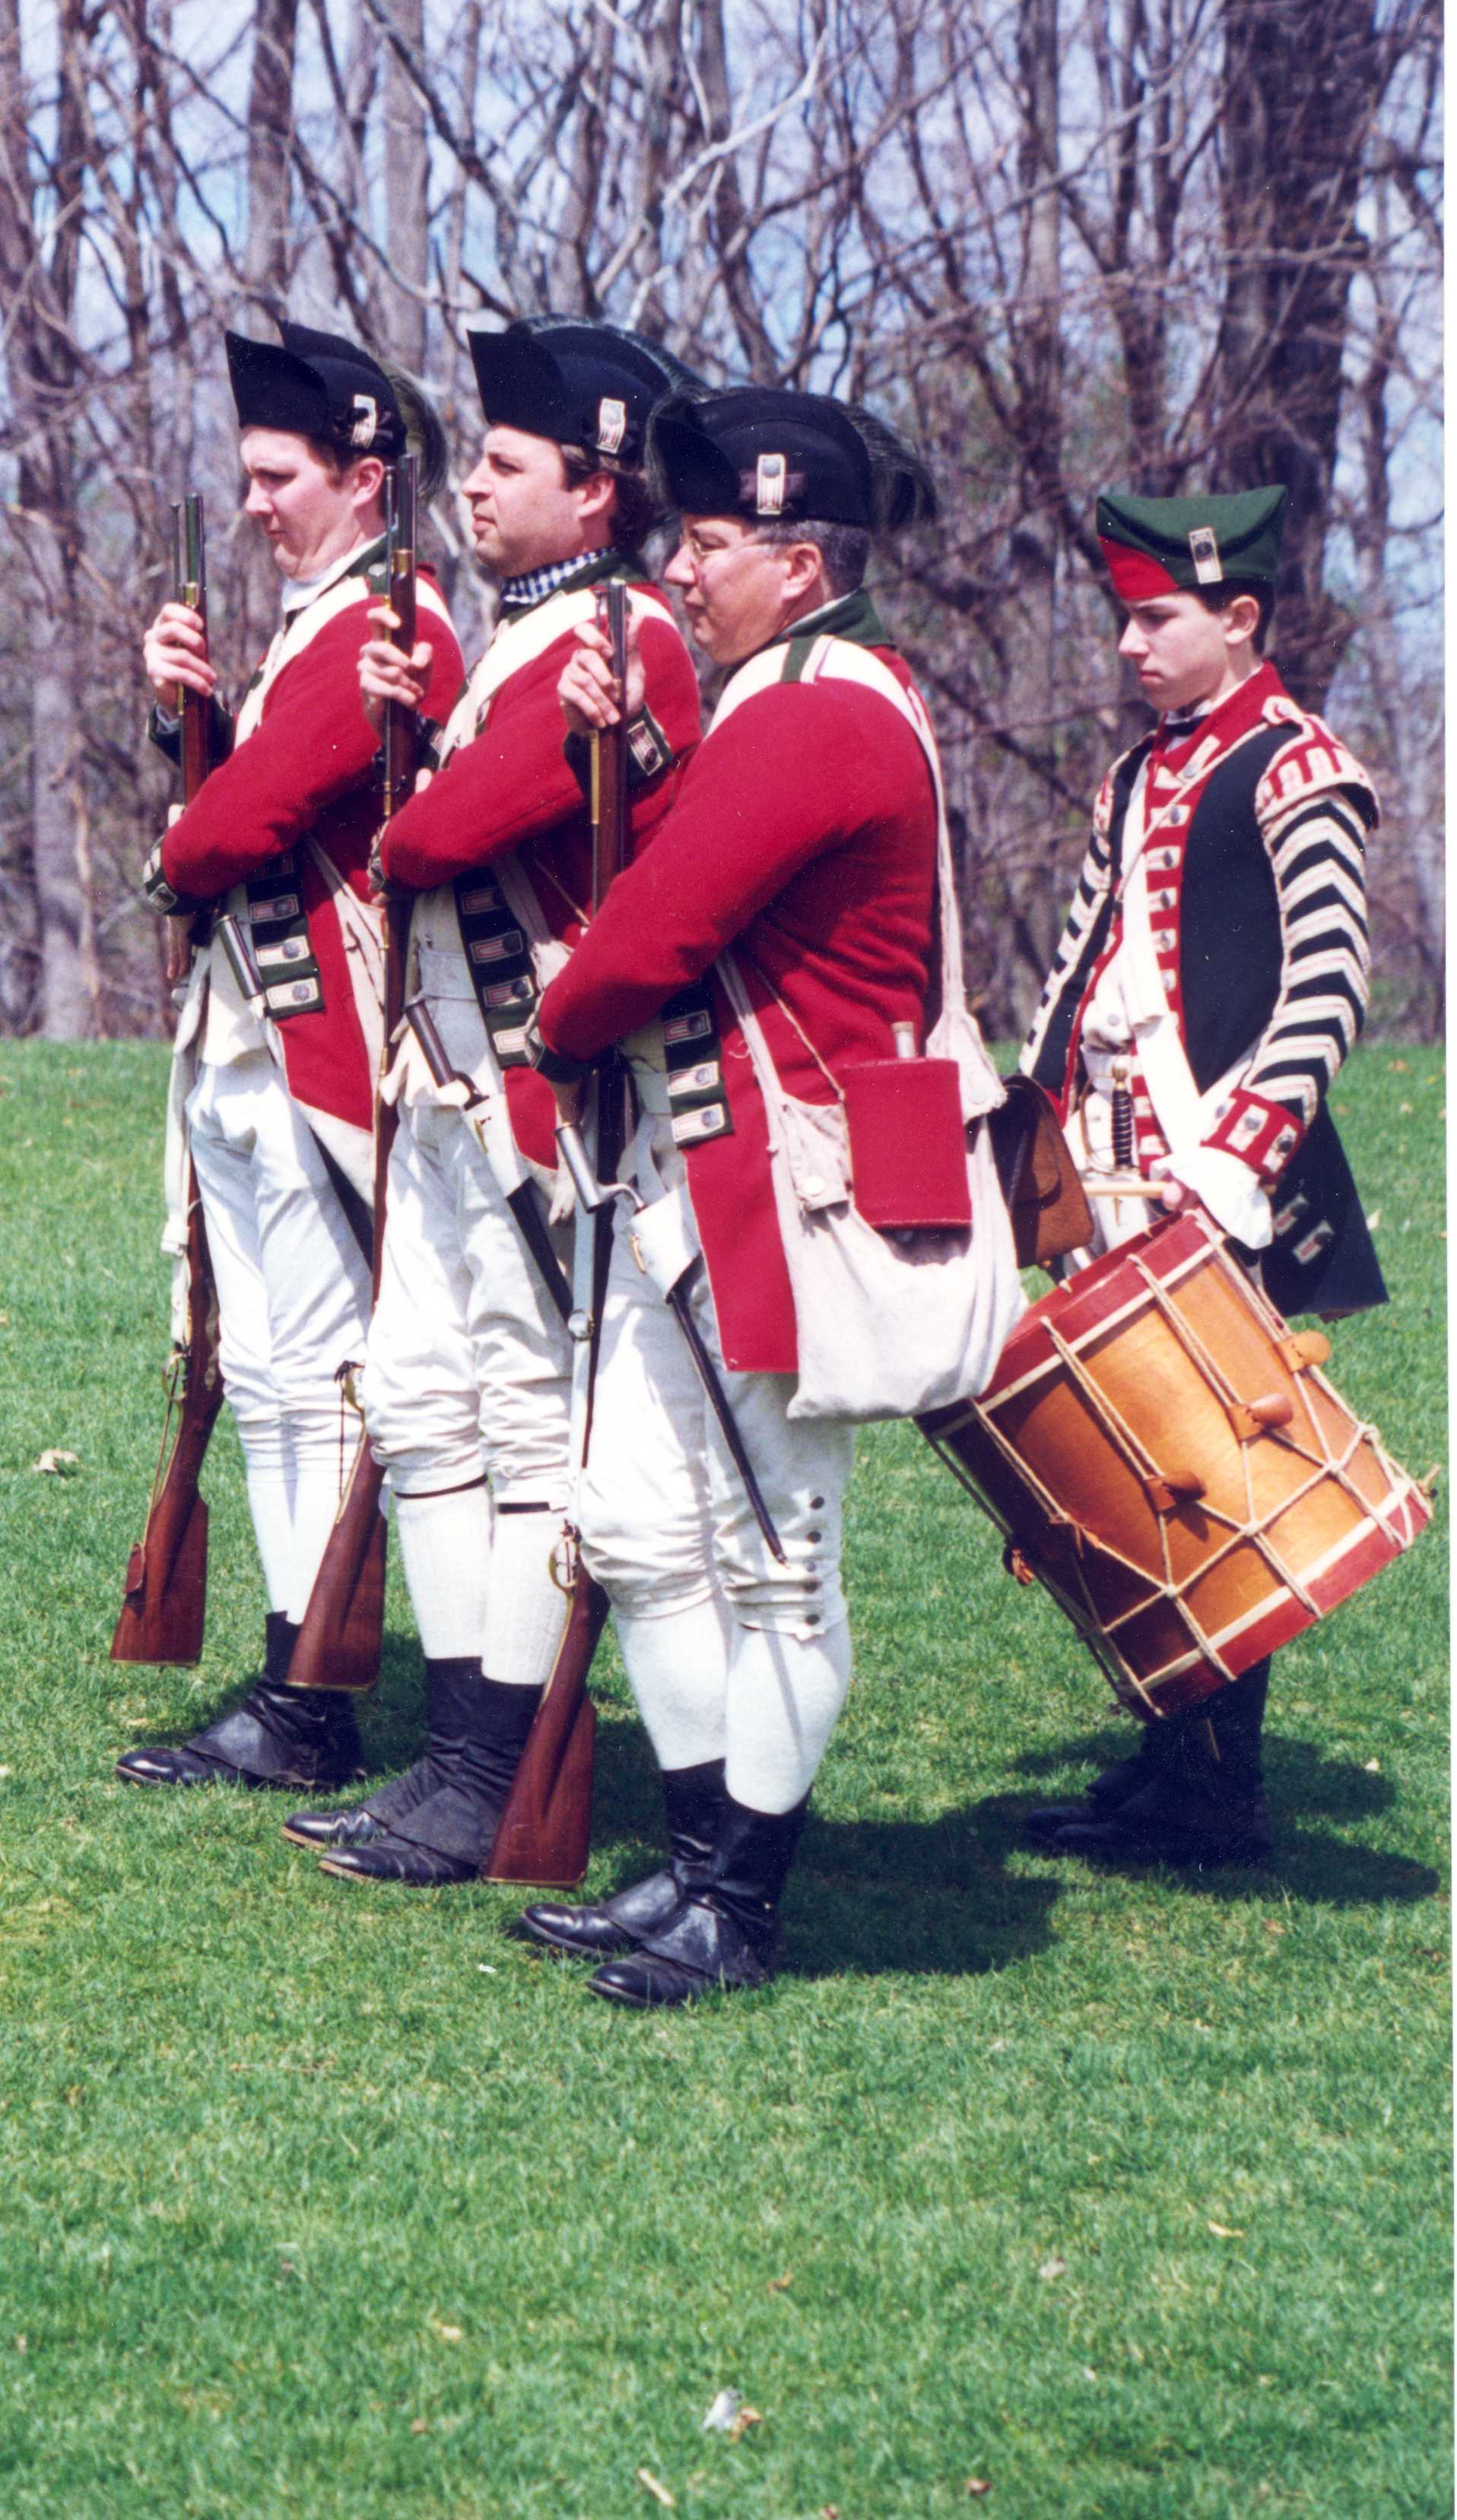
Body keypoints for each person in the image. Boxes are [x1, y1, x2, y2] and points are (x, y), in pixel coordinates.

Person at [513, 384, 948, 2006]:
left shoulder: (816, 707)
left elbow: (654, 928)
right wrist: (623, 745)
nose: (680, 575)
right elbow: (694, 856)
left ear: (797, 554)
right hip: (704, 1173)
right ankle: (694, 1869)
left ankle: (740, 1905)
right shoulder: (793, 696)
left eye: (707, 544)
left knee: (775, 1557)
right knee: (643, 1526)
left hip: (776, 1186)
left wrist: (555, 1023)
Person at [281, 317, 703, 1888]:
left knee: (526, 1413)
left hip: (532, 1101)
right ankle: (456, 1755)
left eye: (510, 464)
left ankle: (496, 1760)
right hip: (442, 1087)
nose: (477, 486)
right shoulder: (528, 633)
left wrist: (415, 792)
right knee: (420, 1400)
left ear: (593, 495)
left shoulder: (623, 637)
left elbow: (457, 828)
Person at [116, 322, 464, 1795]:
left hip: (324, 1061)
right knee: (256, 1370)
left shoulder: (399, 628)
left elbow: (234, 830)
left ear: (363, 476)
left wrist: (179, 833)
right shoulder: (317, 628)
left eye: (281, 476)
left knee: (316, 1374)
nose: (255, 502)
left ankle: (311, 1699)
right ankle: (285, 1669)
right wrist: (179, 708)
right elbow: (235, 795)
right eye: (250, 477)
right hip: (245, 1047)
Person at [1017, 483, 1383, 1869]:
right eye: (1125, 618)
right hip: (1116, 1164)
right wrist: (1036, 1128)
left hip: (1225, 1171)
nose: (1129, 645)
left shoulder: (1297, 762)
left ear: (1238, 618)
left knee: (1213, 1470)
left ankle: (1215, 1796)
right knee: (1134, 1462)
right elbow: (1081, 962)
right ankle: (1173, 1754)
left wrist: (1235, 1161)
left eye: (1156, 619)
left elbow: (1331, 987)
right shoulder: (1134, 774)